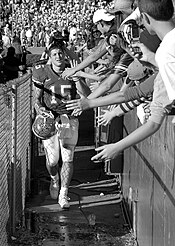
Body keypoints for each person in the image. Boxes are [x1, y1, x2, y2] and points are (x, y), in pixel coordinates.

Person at [91, 0, 175, 162]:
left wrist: (116, 146)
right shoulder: (164, 53)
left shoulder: (165, 54)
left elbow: (152, 122)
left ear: (145, 18)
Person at [32, 36, 89, 209]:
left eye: (60, 53)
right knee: (52, 161)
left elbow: (86, 94)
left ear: (65, 55)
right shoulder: (42, 73)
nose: (58, 56)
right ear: (49, 56)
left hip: (68, 118)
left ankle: (64, 193)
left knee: (68, 158)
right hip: (50, 119)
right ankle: (54, 179)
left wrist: (77, 79)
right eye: (55, 54)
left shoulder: (72, 71)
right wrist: (39, 110)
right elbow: (37, 100)